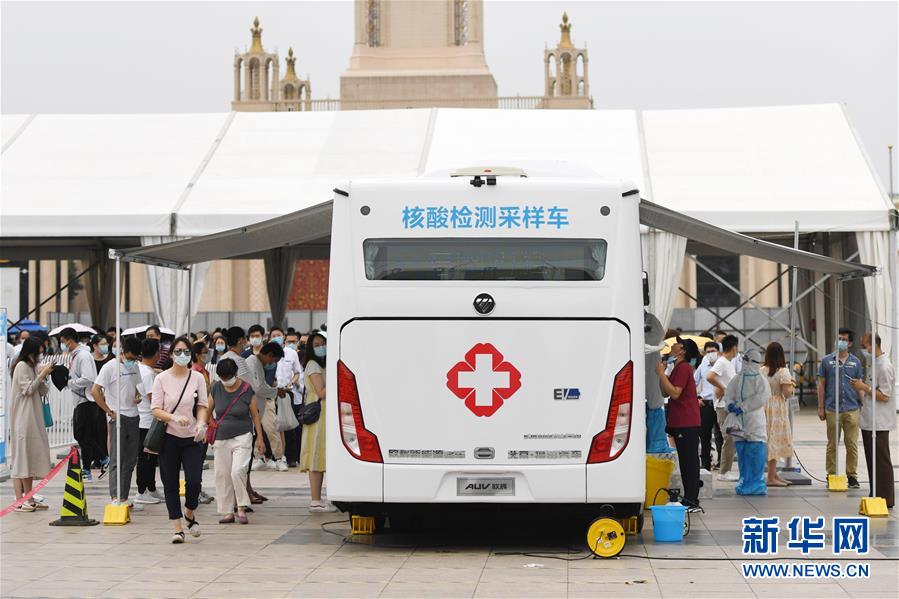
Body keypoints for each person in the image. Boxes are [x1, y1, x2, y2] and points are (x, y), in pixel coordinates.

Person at [151, 337, 209, 544]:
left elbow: (203, 405)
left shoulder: (197, 378)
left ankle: (190, 513)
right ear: (171, 353)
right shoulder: (161, 379)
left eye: (186, 351)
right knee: (170, 483)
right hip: (169, 437)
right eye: (178, 351)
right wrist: (173, 417)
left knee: (194, 481)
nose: (182, 355)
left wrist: (201, 424)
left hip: (193, 437)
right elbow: (155, 408)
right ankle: (177, 527)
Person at [209, 358, 265, 524]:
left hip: (243, 435)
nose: (226, 381)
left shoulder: (247, 389)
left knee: (237, 471)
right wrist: (204, 426)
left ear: (235, 374)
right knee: (222, 474)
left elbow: (255, 415)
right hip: (221, 437)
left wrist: (260, 438)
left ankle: (241, 506)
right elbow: (208, 410)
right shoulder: (216, 388)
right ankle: (227, 511)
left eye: (228, 377)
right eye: (223, 377)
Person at [92, 336, 143, 507]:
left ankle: (124, 497)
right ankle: (115, 497)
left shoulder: (135, 366)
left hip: (134, 416)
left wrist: (137, 397)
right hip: (117, 417)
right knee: (116, 458)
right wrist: (108, 410)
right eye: (130, 357)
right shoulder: (109, 367)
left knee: (130, 460)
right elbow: (95, 390)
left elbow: (137, 388)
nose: (132, 360)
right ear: (123, 351)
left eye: (135, 358)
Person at [655, 338, 702, 512]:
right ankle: (690, 498)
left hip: (686, 422)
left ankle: (692, 500)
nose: (672, 345)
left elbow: (675, 393)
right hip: (680, 421)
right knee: (685, 461)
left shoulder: (683, 368)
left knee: (689, 462)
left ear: (682, 350)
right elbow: (664, 390)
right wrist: (664, 373)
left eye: (676, 344)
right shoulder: (676, 368)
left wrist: (661, 374)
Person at [8, 338, 54, 512]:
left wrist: (43, 376)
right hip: (22, 418)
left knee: (30, 457)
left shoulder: (32, 367)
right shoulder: (21, 367)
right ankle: (19, 500)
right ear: (31, 352)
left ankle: (29, 496)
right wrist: (40, 375)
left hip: (33, 418)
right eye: (38, 352)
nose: (40, 356)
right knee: (21, 459)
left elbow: (42, 390)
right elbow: (27, 389)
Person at [221, 327, 265, 504]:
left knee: (228, 462)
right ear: (240, 340)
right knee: (242, 460)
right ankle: (243, 494)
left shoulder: (222, 359)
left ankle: (244, 492)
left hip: (224, 416)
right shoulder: (240, 361)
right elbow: (251, 387)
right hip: (241, 416)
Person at [852, 332, 895, 508]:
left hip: (880, 421)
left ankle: (886, 497)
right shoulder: (875, 363)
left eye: (864, 345)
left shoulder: (884, 366)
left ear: (873, 345)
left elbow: (885, 395)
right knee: (872, 459)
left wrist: (864, 387)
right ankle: (875, 493)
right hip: (870, 420)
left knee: (881, 460)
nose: (863, 349)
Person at [817, 328, 862, 489]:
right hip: (832, 408)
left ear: (849, 343)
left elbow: (859, 386)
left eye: (844, 339)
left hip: (851, 408)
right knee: (832, 444)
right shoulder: (827, 361)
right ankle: (831, 474)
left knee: (852, 444)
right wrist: (821, 407)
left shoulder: (856, 362)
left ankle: (852, 475)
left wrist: (862, 407)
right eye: (839, 338)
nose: (840, 342)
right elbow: (821, 384)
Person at [723, 348, 770, 496]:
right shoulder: (738, 378)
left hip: (755, 421)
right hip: (738, 422)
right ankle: (744, 482)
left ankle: (756, 485)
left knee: (755, 454)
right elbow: (728, 394)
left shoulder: (760, 379)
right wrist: (730, 404)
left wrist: (743, 407)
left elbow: (761, 398)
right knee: (742, 453)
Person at [58, 327, 101, 482]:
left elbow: (88, 378)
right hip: (81, 400)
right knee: (82, 435)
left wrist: (70, 383)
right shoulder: (76, 355)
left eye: (63, 341)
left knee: (83, 435)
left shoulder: (82, 356)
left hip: (86, 400)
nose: (62, 345)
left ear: (69, 340)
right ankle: (100, 459)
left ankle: (89, 468)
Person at [301, 331, 336, 512]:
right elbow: (321, 392)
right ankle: (315, 500)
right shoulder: (313, 364)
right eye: (316, 344)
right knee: (316, 454)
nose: (321, 347)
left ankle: (320, 499)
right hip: (318, 414)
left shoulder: (323, 364)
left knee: (322, 454)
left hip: (325, 413)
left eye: (323, 343)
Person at [247, 342, 288, 471]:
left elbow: (262, 385)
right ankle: (258, 457)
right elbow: (258, 388)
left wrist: (275, 391)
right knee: (255, 433)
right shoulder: (252, 362)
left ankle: (278, 457)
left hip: (261, 402)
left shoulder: (258, 364)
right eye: (274, 360)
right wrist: (276, 392)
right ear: (269, 355)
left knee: (271, 429)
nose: (273, 364)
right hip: (253, 403)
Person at [760, 342, 795, 487]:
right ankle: (771, 478)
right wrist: (792, 385)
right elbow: (787, 393)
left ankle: (773, 474)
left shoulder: (761, 370)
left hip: (763, 405)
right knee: (775, 440)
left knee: (769, 438)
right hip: (777, 407)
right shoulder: (783, 371)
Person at [134, 338, 163, 504]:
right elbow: (154, 399)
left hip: (141, 418)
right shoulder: (149, 374)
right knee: (146, 457)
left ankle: (151, 488)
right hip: (147, 420)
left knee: (149, 457)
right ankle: (142, 490)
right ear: (156, 353)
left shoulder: (139, 369)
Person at [708, 334, 739, 482]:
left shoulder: (729, 363)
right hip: (723, 407)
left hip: (729, 407)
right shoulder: (722, 362)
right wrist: (724, 388)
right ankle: (723, 472)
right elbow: (710, 376)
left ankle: (726, 470)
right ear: (734, 348)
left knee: (733, 437)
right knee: (729, 438)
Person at [88, 334, 113, 474]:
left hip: (107, 398)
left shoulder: (109, 361)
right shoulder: (89, 360)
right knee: (93, 428)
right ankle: (96, 457)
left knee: (103, 429)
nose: (105, 346)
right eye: (102, 344)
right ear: (95, 346)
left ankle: (104, 456)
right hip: (92, 397)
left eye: (106, 344)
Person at [695, 340, 721, 471]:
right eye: (708, 352)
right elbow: (693, 382)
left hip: (720, 402)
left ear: (719, 352)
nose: (711, 354)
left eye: (713, 351)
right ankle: (705, 463)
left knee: (720, 434)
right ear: (704, 353)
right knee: (704, 435)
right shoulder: (702, 365)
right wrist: (696, 398)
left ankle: (721, 462)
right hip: (706, 403)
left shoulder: (723, 365)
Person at [283, 330, 307, 466]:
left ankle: (296, 457)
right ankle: (288, 456)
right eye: (289, 342)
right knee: (287, 430)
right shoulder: (282, 360)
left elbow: (304, 388)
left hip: (298, 401)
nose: (291, 344)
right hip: (286, 399)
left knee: (297, 431)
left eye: (294, 342)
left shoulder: (300, 364)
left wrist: (296, 383)